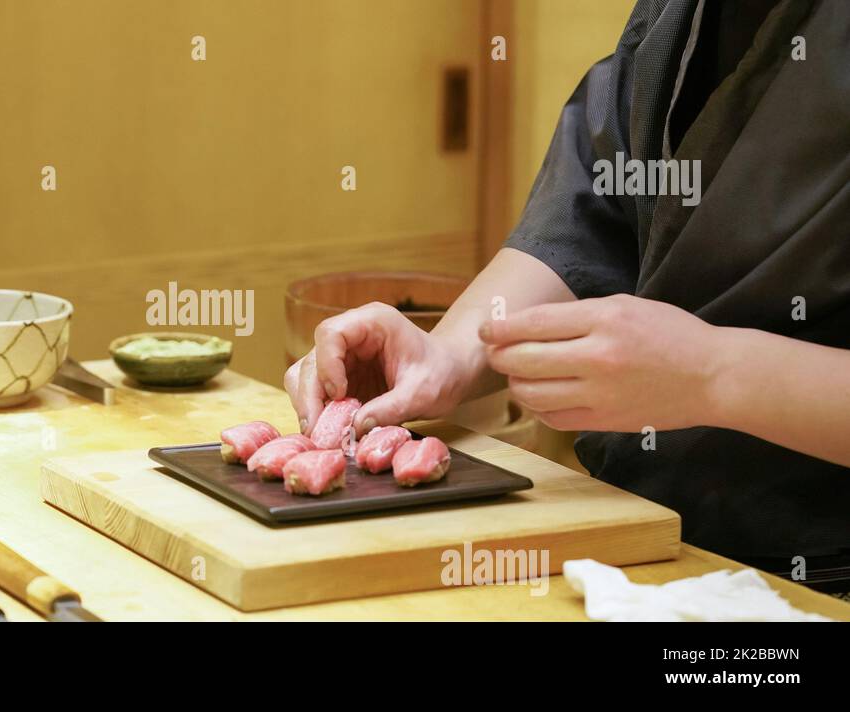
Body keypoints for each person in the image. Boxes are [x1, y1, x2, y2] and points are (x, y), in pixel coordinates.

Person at [285, 0, 850, 593]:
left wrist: (715, 374)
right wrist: (446, 356)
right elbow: (589, 214)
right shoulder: (679, 16)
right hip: (656, 551)